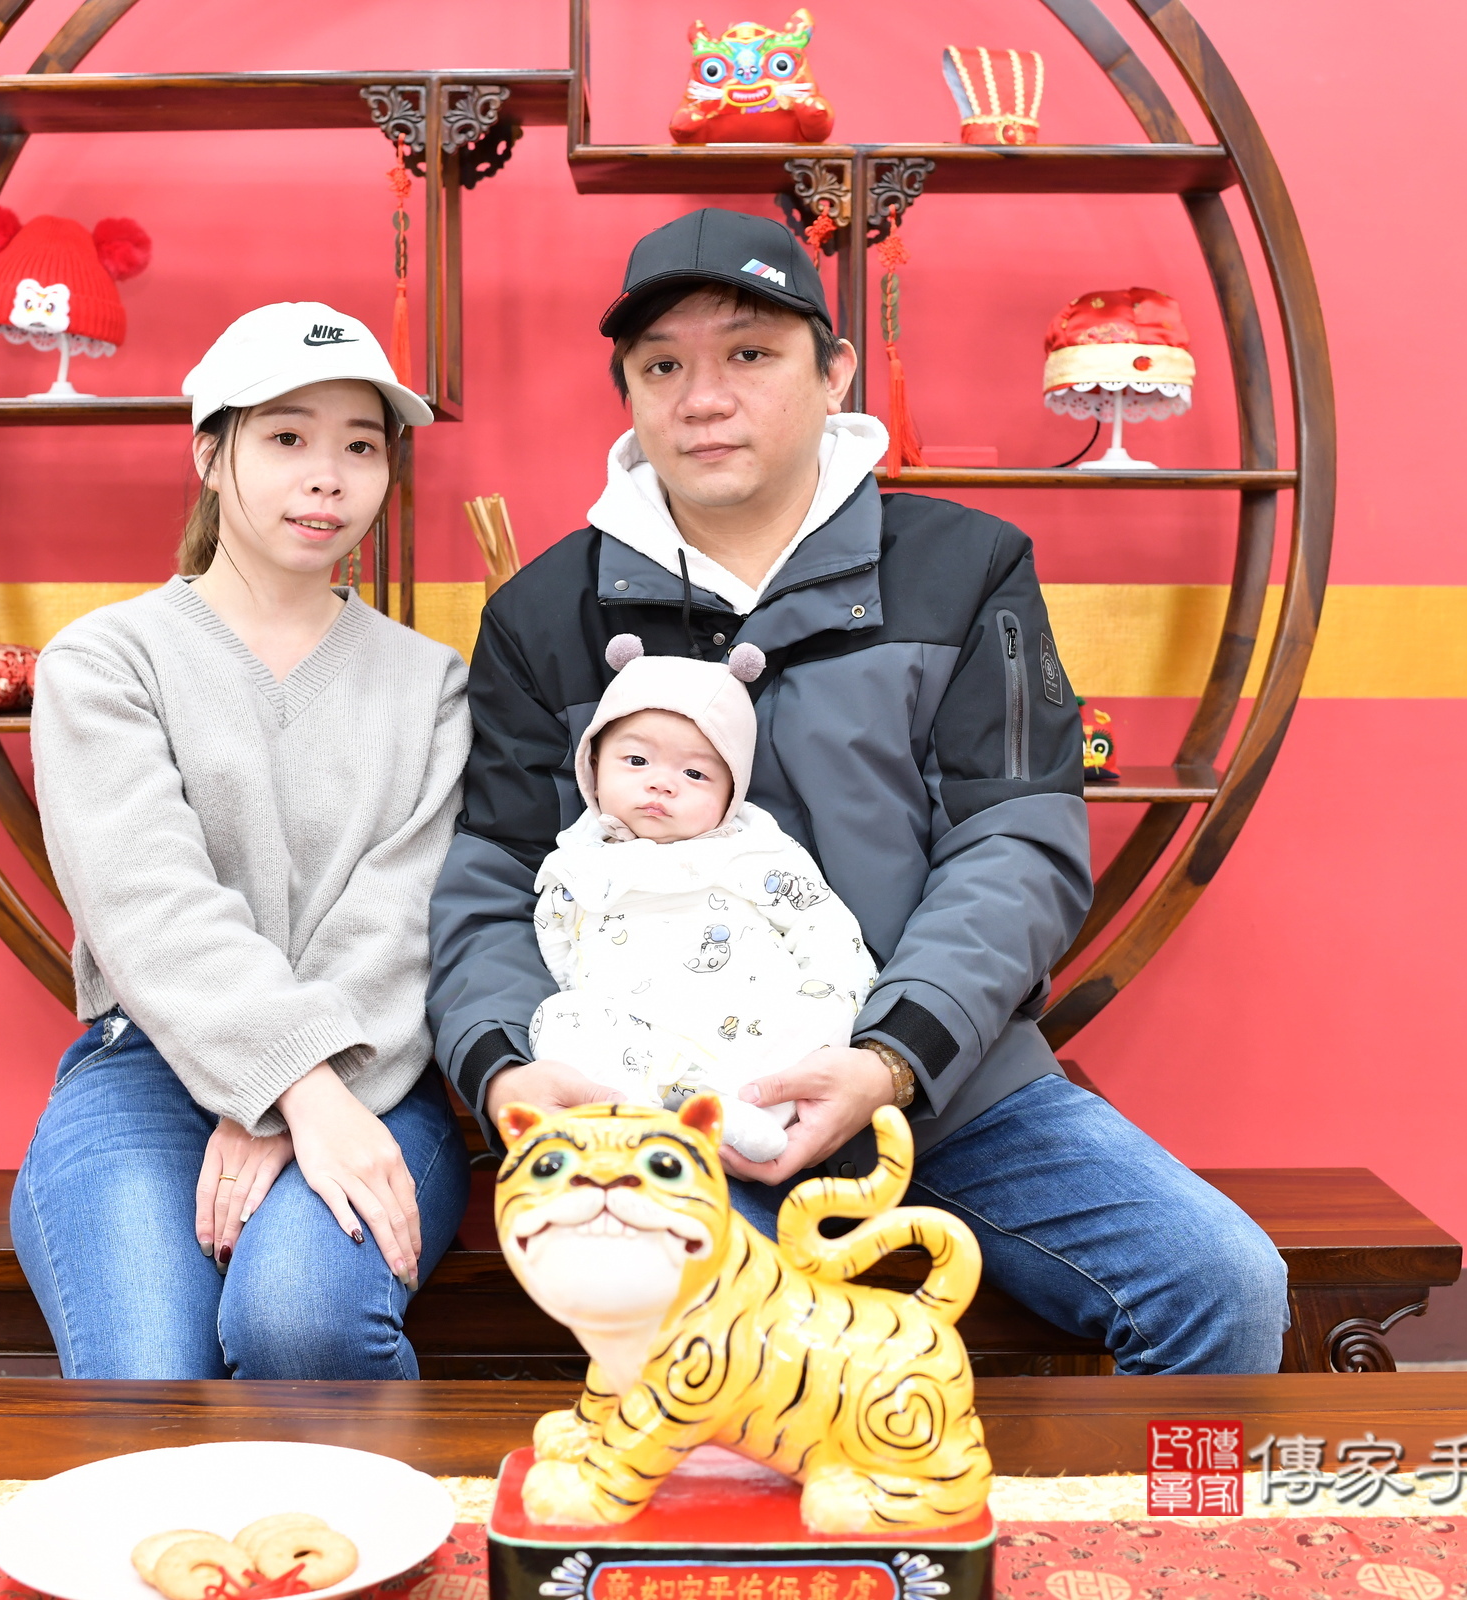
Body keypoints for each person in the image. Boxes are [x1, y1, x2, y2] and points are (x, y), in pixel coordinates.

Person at [429, 211, 1289, 1374]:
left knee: (1221, 1284)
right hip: (663, 1114)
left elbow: (1016, 845)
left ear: (834, 372)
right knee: (745, 1356)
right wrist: (510, 1069)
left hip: (937, 1087)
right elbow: (491, 884)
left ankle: (1128, 1514)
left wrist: (889, 1058)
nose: (703, 398)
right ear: (626, 393)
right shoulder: (543, 615)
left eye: (750, 354)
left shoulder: (965, 567)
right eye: (662, 366)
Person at [15, 302, 473, 1379]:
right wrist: (286, 1089)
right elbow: (148, 904)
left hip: (375, 1068)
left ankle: (369, 1507)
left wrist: (307, 1089)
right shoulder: (106, 661)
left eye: (360, 447)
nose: (327, 477)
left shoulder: (429, 683)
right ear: (210, 455)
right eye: (286, 438)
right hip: (151, 1067)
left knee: (300, 1321)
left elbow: (403, 917)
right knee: (147, 1374)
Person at [529, 634, 877, 1162]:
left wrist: (827, 1000)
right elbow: (558, 946)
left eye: (694, 773)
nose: (661, 784)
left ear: (731, 792)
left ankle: (743, 1113)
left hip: (752, 1031)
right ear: (594, 767)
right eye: (636, 760)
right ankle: (639, 1116)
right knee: (559, 1016)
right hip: (640, 1044)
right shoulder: (577, 861)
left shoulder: (756, 852)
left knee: (821, 1012)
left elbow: (828, 933)